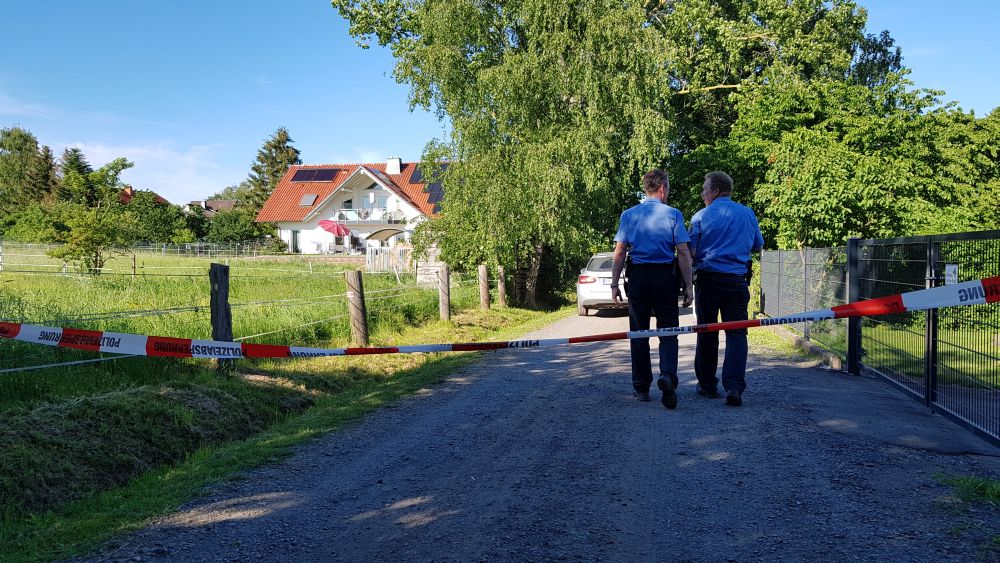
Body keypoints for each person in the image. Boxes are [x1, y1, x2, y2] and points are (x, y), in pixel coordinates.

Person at [611, 169, 693, 409]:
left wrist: (614, 284)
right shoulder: (674, 214)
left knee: (639, 333)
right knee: (668, 331)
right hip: (665, 278)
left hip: (639, 278)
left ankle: (641, 387)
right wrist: (689, 286)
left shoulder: (629, 215)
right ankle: (667, 375)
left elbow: (620, 252)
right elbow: (683, 251)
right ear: (663, 189)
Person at [688, 171, 765, 407]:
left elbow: (691, 252)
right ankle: (734, 386)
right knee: (737, 333)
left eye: (704, 190)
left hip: (708, 281)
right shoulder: (747, 213)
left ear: (715, 191)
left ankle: (707, 385)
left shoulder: (700, 217)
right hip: (736, 281)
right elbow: (757, 245)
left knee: (707, 331)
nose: (703, 194)